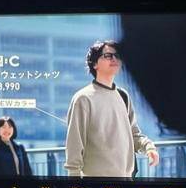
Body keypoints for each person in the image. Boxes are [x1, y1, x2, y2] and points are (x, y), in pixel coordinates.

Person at [64, 40, 159, 178]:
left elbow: (134, 135)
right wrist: (74, 180)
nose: (114, 59)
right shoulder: (83, 98)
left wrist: (149, 148)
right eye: (108, 55)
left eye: (117, 55)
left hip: (126, 179)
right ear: (94, 64)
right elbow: (74, 144)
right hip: (96, 182)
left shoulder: (123, 96)